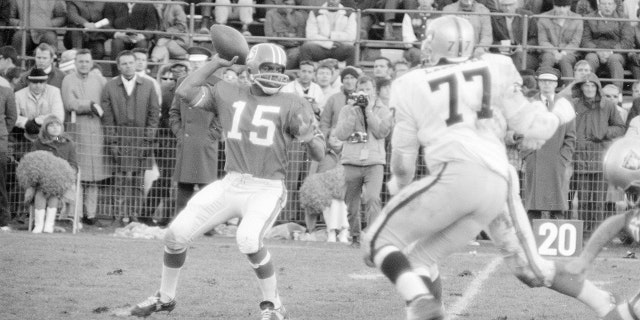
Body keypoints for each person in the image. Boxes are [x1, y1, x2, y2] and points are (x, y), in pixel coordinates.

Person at [362, 16, 635, 320]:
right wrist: (559, 112)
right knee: (527, 270)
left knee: (378, 242)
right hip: (498, 181)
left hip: (456, 176)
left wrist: (400, 188)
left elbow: (402, 164)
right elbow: (535, 126)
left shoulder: (409, 83)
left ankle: (421, 301)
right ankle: (607, 307)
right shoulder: (495, 67)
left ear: (437, 43)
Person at [129, 43, 325, 319]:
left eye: (279, 69)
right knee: (175, 235)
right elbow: (185, 91)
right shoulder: (229, 91)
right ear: (253, 67)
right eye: (268, 67)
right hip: (231, 183)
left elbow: (319, 151)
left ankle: (274, 304)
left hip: (266, 187)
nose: (274, 73)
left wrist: (308, 138)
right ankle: (165, 297)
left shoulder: (294, 101)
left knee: (247, 239)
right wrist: (216, 63)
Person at [101, 50, 160, 226]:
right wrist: (112, 141)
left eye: (131, 63)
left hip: (141, 140)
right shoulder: (110, 86)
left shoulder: (149, 85)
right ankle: (119, 216)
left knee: (138, 180)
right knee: (119, 180)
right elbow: (108, 117)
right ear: (118, 66)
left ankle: (135, 216)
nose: (128, 66)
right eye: (124, 63)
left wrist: (148, 140)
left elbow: (154, 114)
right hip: (120, 139)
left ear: (136, 64)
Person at [334, 75, 394, 247]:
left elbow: (381, 132)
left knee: (372, 198)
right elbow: (341, 134)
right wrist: (353, 113)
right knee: (351, 204)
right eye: (361, 90)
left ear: (374, 91)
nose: (364, 93)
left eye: (368, 89)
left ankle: (373, 237)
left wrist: (368, 111)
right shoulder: (347, 109)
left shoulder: (383, 110)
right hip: (351, 161)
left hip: (374, 162)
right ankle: (355, 236)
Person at [168, 46, 220, 218]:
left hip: (206, 143)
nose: (196, 65)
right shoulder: (182, 81)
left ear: (207, 63)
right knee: (184, 187)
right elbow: (174, 112)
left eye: (200, 62)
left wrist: (212, 135)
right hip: (187, 142)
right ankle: (180, 223)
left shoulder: (217, 83)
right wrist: (179, 134)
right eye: (193, 61)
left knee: (207, 188)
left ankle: (207, 225)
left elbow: (224, 115)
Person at [60, 49, 110, 226]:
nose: (84, 64)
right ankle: (76, 213)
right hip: (78, 131)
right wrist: (89, 105)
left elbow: (106, 100)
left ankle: (91, 214)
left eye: (87, 61)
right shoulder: (68, 79)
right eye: (80, 61)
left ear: (91, 62)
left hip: (97, 131)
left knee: (94, 177)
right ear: (75, 63)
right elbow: (69, 103)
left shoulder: (99, 79)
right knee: (78, 175)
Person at [570, 73, 625, 232]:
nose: (589, 88)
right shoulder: (574, 104)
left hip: (600, 158)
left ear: (597, 87)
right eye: (586, 85)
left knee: (599, 201)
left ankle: (597, 233)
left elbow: (620, 127)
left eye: (592, 85)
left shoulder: (607, 105)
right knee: (583, 199)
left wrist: (604, 132)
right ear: (581, 87)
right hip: (579, 157)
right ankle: (581, 233)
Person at [521, 67, 576, 222]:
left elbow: (571, 136)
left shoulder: (564, 104)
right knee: (533, 204)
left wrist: (563, 158)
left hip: (556, 160)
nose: (546, 84)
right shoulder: (530, 103)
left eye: (550, 81)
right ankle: (531, 238)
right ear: (538, 83)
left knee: (556, 203)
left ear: (556, 84)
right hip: (535, 158)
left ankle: (557, 237)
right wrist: (528, 156)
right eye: (543, 81)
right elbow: (521, 132)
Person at [29, 115, 78, 233]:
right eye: (51, 125)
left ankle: (49, 225)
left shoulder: (68, 143)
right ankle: (39, 224)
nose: (55, 128)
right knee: (41, 191)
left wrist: (67, 174)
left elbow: (74, 164)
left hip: (61, 180)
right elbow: (32, 161)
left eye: (58, 125)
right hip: (41, 179)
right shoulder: (38, 143)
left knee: (54, 192)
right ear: (45, 128)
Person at [581, 0, 633, 90]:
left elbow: (627, 41)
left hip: (616, 53)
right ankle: (587, 92)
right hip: (595, 51)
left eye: (610, 4)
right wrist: (597, 51)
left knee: (614, 59)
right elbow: (585, 40)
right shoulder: (589, 18)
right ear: (599, 5)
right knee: (590, 58)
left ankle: (617, 95)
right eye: (604, 4)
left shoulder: (623, 18)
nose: (607, 6)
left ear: (615, 5)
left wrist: (611, 52)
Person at [103, 1, 159, 76]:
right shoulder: (112, 3)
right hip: (120, 36)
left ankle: (139, 77)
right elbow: (106, 24)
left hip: (139, 37)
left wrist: (142, 35)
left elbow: (152, 26)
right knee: (116, 43)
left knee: (142, 44)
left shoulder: (148, 4)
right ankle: (117, 77)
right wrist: (118, 34)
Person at [537, 0, 583, 86]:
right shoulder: (544, 18)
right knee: (547, 58)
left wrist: (563, 53)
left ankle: (570, 89)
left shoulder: (577, 18)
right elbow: (543, 41)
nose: (561, 10)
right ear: (554, 5)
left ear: (569, 6)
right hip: (549, 51)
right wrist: (554, 52)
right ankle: (542, 87)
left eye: (565, 7)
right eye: (558, 6)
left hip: (569, 53)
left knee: (565, 59)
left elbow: (575, 42)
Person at [300, 0, 357, 66]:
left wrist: (331, 35)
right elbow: (311, 35)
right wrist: (329, 43)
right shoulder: (315, 12)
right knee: (306, 48)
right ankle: (306, 72)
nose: (332, 1)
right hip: (320, 47)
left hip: (340, 47)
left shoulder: (349, 13)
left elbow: (351, 36)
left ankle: (349, 73)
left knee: (351, 49)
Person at [491, 0, 538, 71]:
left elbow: (535, 38)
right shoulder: (495, 17)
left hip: (526, 54)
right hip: (503, 54)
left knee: (517, 57)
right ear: (500, 6)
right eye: (504, 5)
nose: (508, 8)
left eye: (510, 5)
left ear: (517, 5)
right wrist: (500, 46)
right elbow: (492, 41)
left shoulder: (527, 15)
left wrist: (524, 47)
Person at [264, 0, 306, 70]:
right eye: (287, 4)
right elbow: (269, 34)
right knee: (276, 52)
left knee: (295, 54)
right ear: (281, 3)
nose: (289, 7)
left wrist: (279, 35)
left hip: (292, 46)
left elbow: (300, 38)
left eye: (292, 4)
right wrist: (288, 35)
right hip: (276, 44)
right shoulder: (270, 14)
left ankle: (283, 72)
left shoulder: (299, 16)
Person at [0, 85, 16, 231]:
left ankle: (3, 221)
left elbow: (11, 118)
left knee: (0, 182)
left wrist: (2, 132)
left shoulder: (6, 92)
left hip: (0, 143)